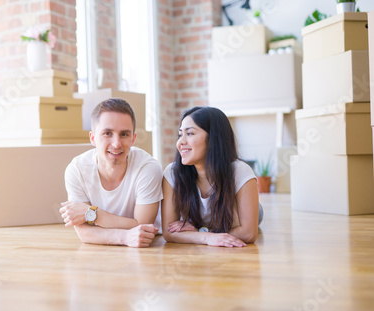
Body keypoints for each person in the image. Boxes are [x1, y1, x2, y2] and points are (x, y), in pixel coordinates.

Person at [60, 98, 163, 248]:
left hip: (148, 249)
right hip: (99, 251)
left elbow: (143, 226)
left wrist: (92, 214)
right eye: (107, 133)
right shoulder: (77, 170)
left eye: (124, 134)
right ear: (93, 138)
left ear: (133, 139)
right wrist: (125, 237)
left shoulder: (148, 168)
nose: (116, 144)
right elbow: (85, 233)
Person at [161, 106, 262, 248]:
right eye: (180, 135)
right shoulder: (172, 173)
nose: (180, 142)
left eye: (189, 134)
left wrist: (200, 231)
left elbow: (249, 233)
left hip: (234, 216)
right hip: (210, 223)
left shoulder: (240, 171)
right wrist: (206, 237)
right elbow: (169, 232)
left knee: (258, 213)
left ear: (214, 138)